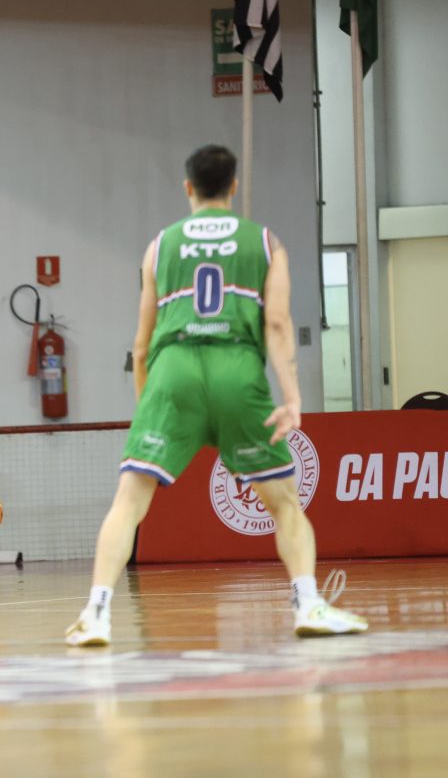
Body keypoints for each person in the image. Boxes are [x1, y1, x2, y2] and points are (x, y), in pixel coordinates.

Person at [65, 145, 368, 647]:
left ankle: (95, 613)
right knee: (285, 504)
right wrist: (292, 398)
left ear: (188, 187)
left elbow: (141, 343)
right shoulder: (266, 243)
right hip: (236, 370)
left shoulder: (160, 246)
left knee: (129, 502)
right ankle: (308, 603)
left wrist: (147, 405)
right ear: (234, 186)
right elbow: (277, 323)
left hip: (173, 372)